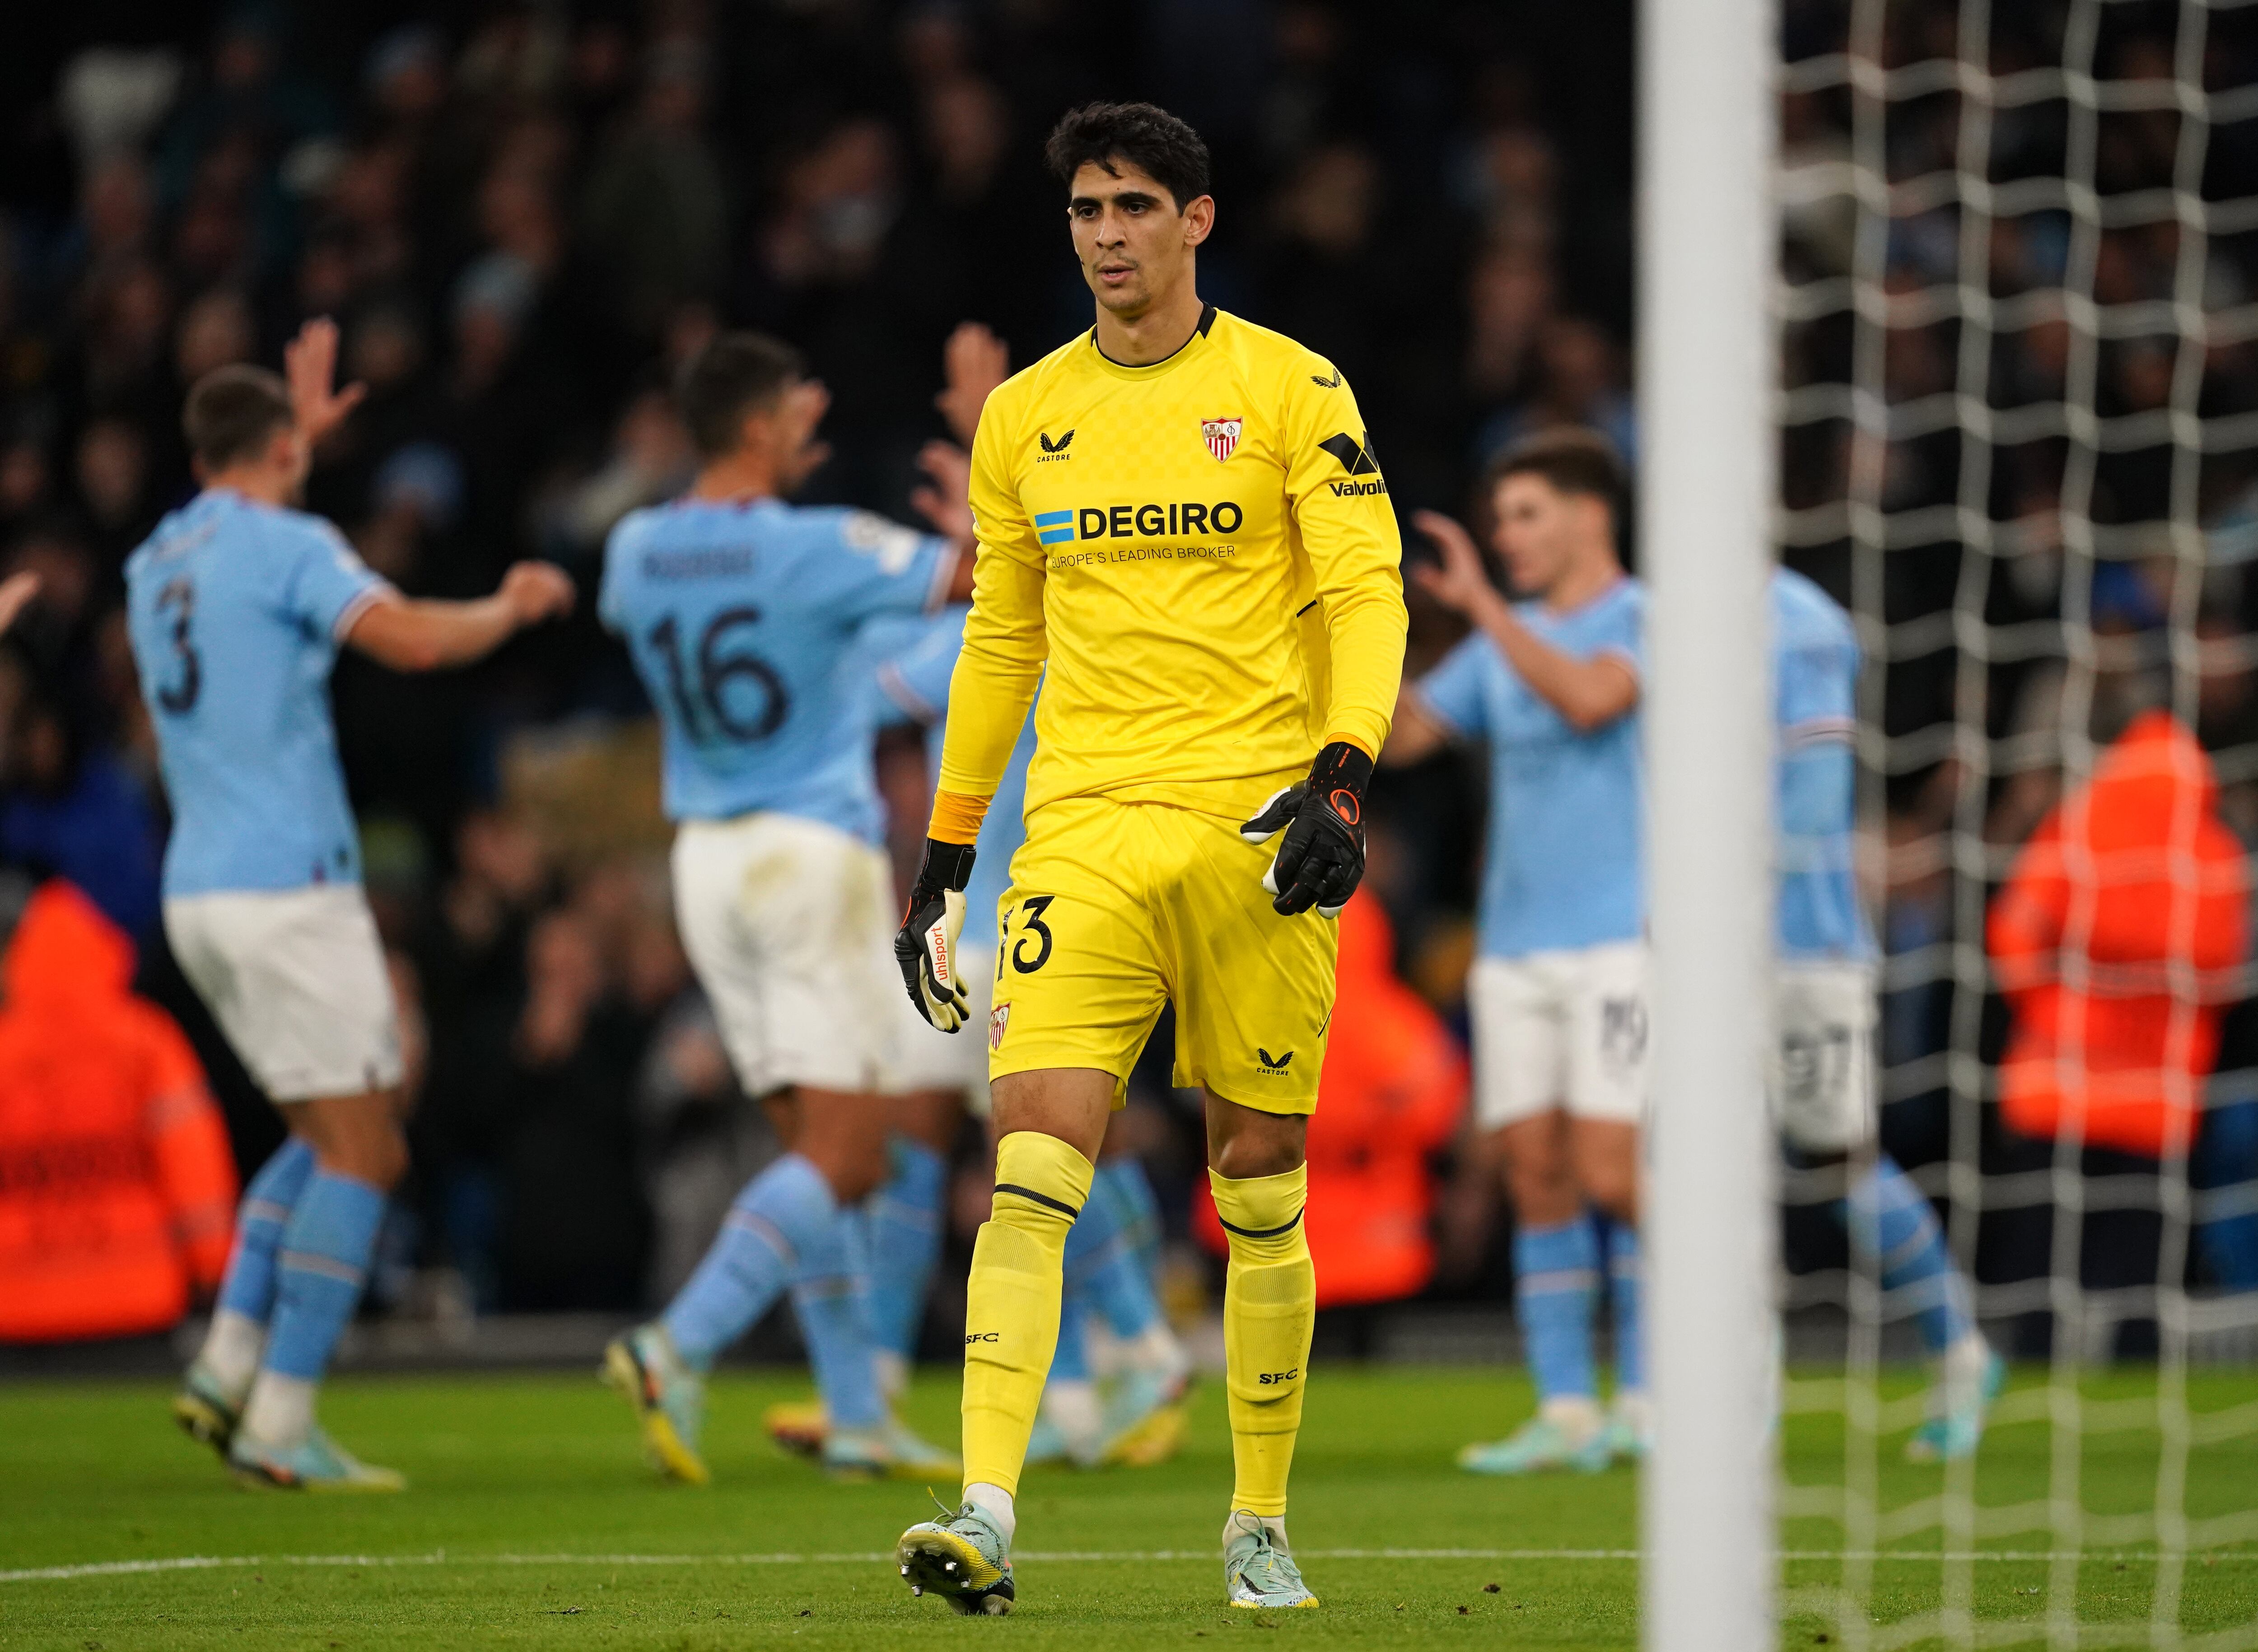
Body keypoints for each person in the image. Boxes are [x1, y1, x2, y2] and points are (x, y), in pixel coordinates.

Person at [890, 100, 1406, 1614]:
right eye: (1085, 211)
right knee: (1034, 1153)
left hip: (1259, 833)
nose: (1106, 235)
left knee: (1257, 1177)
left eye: (1133, 207)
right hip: (1086, 836)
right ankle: (985, 1506)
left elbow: (1366, 591)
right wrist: (945, 857)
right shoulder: (1024, 414)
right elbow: (1001, 640)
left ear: (1198, 220)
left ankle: (1256, 1513)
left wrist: (1346, 775)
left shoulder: (1292, 386)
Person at [139, 320, 576, 1489]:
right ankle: (280, 1417)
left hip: (200, 890)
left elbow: (241, 546)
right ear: (284, 445)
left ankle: (229, 1362)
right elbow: (411, 642)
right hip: (290, 883)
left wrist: (287, 452)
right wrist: (508, 605)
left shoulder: (158, 559)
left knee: (334, 1125)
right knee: (368, 1149)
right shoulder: (291, 545)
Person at [596, 329, 975, 1483]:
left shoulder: (636, 548)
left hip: (704, 858)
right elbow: (971, 578)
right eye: (797, 409)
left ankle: (857, 1406)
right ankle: (679, 1342)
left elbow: (648, 619)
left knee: (807, 1151)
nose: (814, 419)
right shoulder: (818, 546)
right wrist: (978, 474)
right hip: (809, 853)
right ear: (756, 429)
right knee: (858, 1154)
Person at [867, 600, 1192, 1471]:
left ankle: (1146, 1349)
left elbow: (868, 690)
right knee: (1055, 1152)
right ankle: (1082, 1389)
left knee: (1033, 1156)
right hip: (1064, 901)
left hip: (998, 914)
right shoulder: (1094, 616)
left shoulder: (998, 623)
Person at [1383, 429, 1648, 1476]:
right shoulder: (1501, 645)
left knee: (1613, 1172)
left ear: (1590, 514)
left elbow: (1592, 699)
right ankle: (1569, 1411)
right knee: (1536, 1172)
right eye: (1500, 520)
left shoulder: (1643, 619)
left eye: (1526, 514)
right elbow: (1403, 733)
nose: (1506, 536)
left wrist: (1484, 610)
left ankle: (1677, 1379)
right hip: (1515, 947)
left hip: (1624, 939)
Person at [1771, 566, 2001, 1461]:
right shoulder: (1658, 619)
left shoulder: (1802, 620)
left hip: (1801, 948)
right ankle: (1725, 1396)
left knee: (1838, 1160)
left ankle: (1959, 1349)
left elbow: (1818, 792)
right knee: (1697, 1172)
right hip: (1691, 951)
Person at [0, 877, 238, 1343]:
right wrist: (213, 1268)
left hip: (15, 1300)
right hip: (137, 1292)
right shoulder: (147, 1041)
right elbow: (194, 1166)